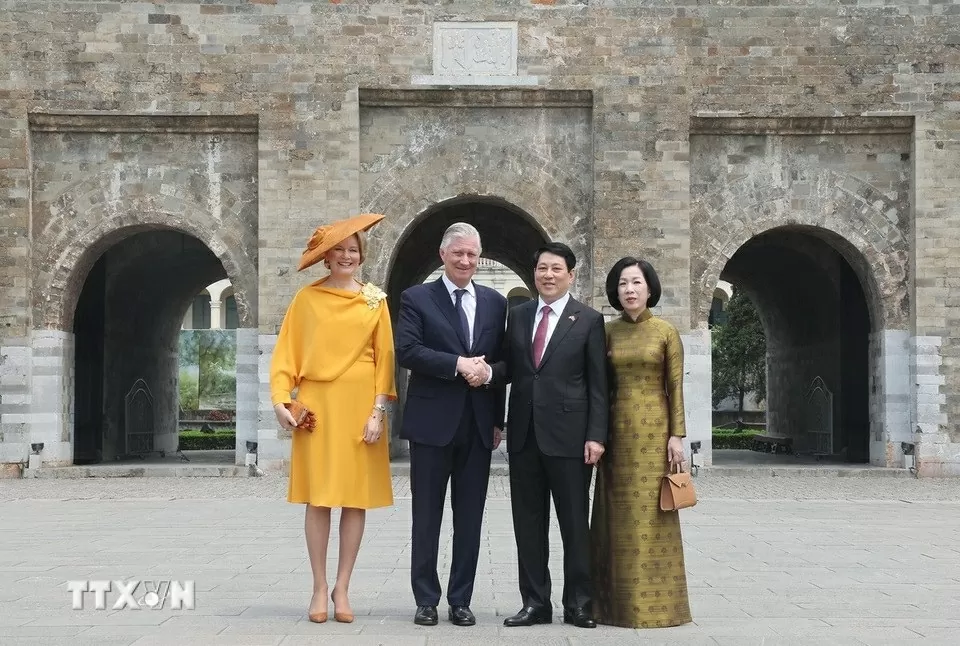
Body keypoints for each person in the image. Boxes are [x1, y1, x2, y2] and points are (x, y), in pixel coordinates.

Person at [270, 213, 396, 625]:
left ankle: (344, 586)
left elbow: (386, 361)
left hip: (361, 405)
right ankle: (318, 586)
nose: (346, 256)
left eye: (353, 250)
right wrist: (279, 401)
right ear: (326, 257)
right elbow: (285, 355)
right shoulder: (306, 300)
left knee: (354, 499)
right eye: (339, 250)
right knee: (319, 497)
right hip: (317, 406)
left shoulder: (376, 299)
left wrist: (378, 411)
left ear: (362, 256)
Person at [394, 222, 508, 628]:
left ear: (480, 258)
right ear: (443, 255)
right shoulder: (417, 297)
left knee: (470, 517)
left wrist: (497, 413)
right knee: (426, 516)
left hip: (478, 425)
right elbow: (407, 350)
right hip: (431, 424)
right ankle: (426, 599)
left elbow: (504, 362)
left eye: (472, 254)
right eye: (458, 253)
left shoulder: (496, 303)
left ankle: (461, 599)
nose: (465, 260)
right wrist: (457, 365)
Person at [489, 241, 608, 629]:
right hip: (524, 436)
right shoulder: (519, 316)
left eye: (557, 269)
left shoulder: (587, 320)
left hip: (571, 439)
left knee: (574, 524)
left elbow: (598, 385)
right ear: (534, 272)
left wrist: (596, 435)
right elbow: (509, 370)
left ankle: (578, 604)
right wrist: (487, 379)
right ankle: (535, 602)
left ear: (570, 275)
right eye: (542, 268)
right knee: (528, 523)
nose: (548, 275)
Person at [590, 257, 692, 628]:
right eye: (622, 284)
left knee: (655, 516)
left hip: (655, 435)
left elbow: (676, 387)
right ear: (615, 292)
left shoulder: (666, 332)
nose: (629, 290)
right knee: (614, 516)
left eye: (635, 282)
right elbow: (599, 388)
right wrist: (596, 434)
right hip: (616, 434)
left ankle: (662, 608)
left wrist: (676, 435)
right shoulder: (606, 332)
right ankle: (610, 607)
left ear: (650, 288)